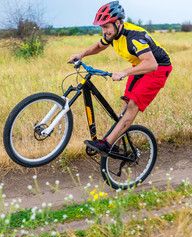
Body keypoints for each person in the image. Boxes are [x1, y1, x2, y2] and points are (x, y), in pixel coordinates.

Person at [68, 1, 172, 156]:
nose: (104, 31)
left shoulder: (133, 37)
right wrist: (81, 54)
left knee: (132, 105)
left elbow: (152, 64)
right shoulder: (113, 34)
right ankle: (116, 142)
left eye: (106, 27)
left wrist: (123, 73)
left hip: (157, 68)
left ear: (117, 23)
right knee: (125, 104)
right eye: (102, 27)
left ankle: (107, 144)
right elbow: (100, 45)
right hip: (139, 65)